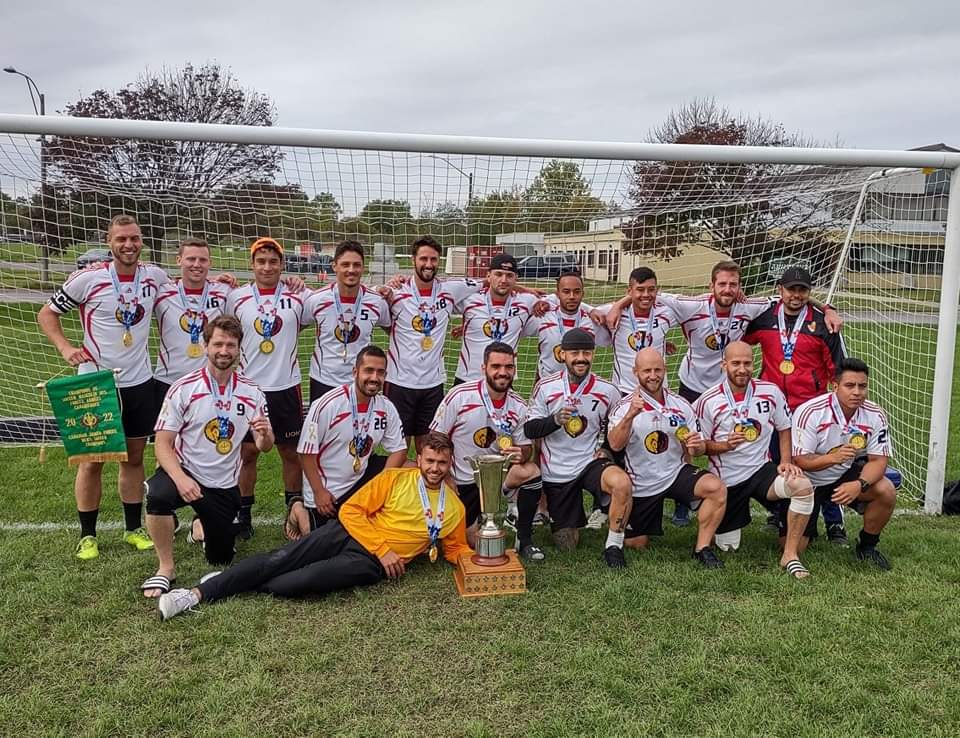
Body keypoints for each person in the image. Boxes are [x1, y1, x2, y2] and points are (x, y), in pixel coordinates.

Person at [157, 433, 472, 620]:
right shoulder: (395, 478)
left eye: (441, 463)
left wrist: (485, 563)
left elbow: (456, 548)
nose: (434, 468)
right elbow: (351, 511)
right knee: (279, 559)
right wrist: (384, 548)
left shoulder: (455, 509)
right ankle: (196, 594)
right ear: (419, 459)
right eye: (429, 461)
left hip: (370, 564)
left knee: (294, 583)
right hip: (349, 534)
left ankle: (233, 581)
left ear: (450, 465)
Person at [37, 214, 167, 559]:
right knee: (92, 461)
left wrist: (222, 279)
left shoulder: (154, 277)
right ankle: (88, 535)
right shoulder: (87, 279)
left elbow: (188, 289)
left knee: (134, 457)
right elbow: (46, 314)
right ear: (109, 242)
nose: (129, 245)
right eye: (121, 239)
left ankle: (132, 528)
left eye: (135, 238)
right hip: (96, 382)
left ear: (142, 241)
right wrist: (66, 348)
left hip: (140, 382)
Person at [141, 316, 273, 598]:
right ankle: (166, 568)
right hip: (186, 473)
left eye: (231, 345)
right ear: (205, 346)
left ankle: (199, 527)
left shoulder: (252, 393)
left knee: (221, 559)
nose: (224, 351)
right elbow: (163, 444)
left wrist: (263, 436)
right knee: (157, 494)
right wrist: (180, 478)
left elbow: (265, 446)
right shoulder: (183, 389)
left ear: (239, 349)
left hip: (223, 485)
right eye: (218, 344)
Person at [744, 266, 849, 544]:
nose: (797, 295)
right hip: (774, 408)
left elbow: (837, 369)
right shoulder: (764, 319)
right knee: (778, 461)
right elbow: (739, 344)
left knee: (819, 465)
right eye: (791, 289)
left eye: (802, 290)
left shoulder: (823, 324)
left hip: (810, 409)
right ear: (780, 290)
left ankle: (834, 521)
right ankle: (779, 513)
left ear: (809, 292)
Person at [694, 342, 815, 577]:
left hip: (761, 471)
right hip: (726, 481)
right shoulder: (707, 401)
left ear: (753, 363)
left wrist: (787, 460)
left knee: (802, 486)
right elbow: (700, 448)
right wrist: (724, 445)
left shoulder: (770, 392)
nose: (742, 369)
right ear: (724, 365)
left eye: (747, 363)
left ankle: (790, 555)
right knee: (729, 546)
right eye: (736, 363)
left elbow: (785, 427)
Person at [606, 348, 727, 568]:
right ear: (635, 372)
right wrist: (631, 415)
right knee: (637, 543)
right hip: (641, 481)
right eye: (647, 371)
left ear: (665, 370)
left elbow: (697, 450)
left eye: (657, 370)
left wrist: (697, 446)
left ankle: (703, 548)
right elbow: (615, 444)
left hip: (675, 472)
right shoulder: (624, 407)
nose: (653, 375)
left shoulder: (681, 405)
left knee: (716, 487)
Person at [523, 328, 633, 568]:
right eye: (574, 353)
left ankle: (614, 545)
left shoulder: (608, 391)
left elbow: (617, 431)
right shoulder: (545, 387)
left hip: (590, 463)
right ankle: (576, 516)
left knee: (621, 483)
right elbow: (529, 430)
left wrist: (607, 450)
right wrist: (554, 420)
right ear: (562, 354)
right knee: (567, 543)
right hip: (557, 471)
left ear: (593, 355)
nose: (581, 358)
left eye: (586, 352)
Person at [225, 237, 309, 538]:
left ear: (282, 264)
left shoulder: (298, 296)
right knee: (247, 453)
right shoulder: (236, 297)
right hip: (248, 390)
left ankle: (294, 509)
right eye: (261, 261)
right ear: (252, 265)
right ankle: (243, 513)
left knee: (290, 452)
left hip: (286, 387)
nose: (267, 266)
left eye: (273, 261)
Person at [429, 342, 542, 558]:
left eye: (509, 367)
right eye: (496, 366)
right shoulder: (460, 396)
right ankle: (479, 520)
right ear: (484, 368)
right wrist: (445, 476)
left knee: (531, 471)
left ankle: (524, 538)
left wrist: (521, 453)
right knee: (472, 542)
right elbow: (436, 439)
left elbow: (527, 448)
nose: (503, 372)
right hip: (461, 483)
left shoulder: (518, 405)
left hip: (495, 480)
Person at [285, 346, 408, 538]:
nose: (374, 377)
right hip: (329, 490)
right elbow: (305, 452)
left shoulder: (386, 407)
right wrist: (319, 492)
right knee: (323, 544)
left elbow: (399, 450)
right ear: (355, 372)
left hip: (360, 477)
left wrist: (381, 487)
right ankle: (299, 509)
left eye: (380, 372)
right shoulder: (328, 404)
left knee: (413, 469)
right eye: (369, 370)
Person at [522, 268, 611, 529]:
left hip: (584, 389)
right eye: (566, 291)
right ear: (557, 292)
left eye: (577, 292)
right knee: (540, 444)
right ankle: (540, 504)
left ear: (583, 294)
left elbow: (617, 330)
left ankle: (600, 503)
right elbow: (512, 325)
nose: (571, 296)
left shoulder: (593, 318)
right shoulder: (542, 314)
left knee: (590, 437)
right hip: (548, 388)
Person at [791, 358, 896, 569]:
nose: (857, 392)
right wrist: (833, 458)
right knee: (795, 547)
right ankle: (792, 520)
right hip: (806, 483)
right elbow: (800, 460)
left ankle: (867, 547)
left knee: (886, 490)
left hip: (842, 476)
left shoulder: (875, 414)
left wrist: (860, 484)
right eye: (850, 385)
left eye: (862, 386)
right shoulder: (810, 411)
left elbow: (878, 460)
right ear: (835, 385)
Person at [303, 240, 392, 404]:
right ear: (334, 266)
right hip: (323, 381)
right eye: (345, 264)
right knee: (321, 429)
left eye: (356, 265)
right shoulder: (316, 300)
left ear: (363, 267)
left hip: (359, 382)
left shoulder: (377, 302)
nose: (351, 270)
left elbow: (393, 330)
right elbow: (295, 326)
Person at [152, 238, 231, 409]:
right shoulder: (161, 292)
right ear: (179, 260)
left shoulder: (224, 291)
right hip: (168, 381)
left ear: (210, 262)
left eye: (202, 260)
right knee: (165, 436)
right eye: (191, 259)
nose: (197, 264)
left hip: (208, 382)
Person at [452, 253, 539, 384]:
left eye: (509, 276)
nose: (503, 280)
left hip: (503, 379)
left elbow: (561, 299)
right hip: (468, 378)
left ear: (516, 278)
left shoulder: (528, 301)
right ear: (488, 276)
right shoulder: (469, 299)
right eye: (498, 274)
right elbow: (440, 293)